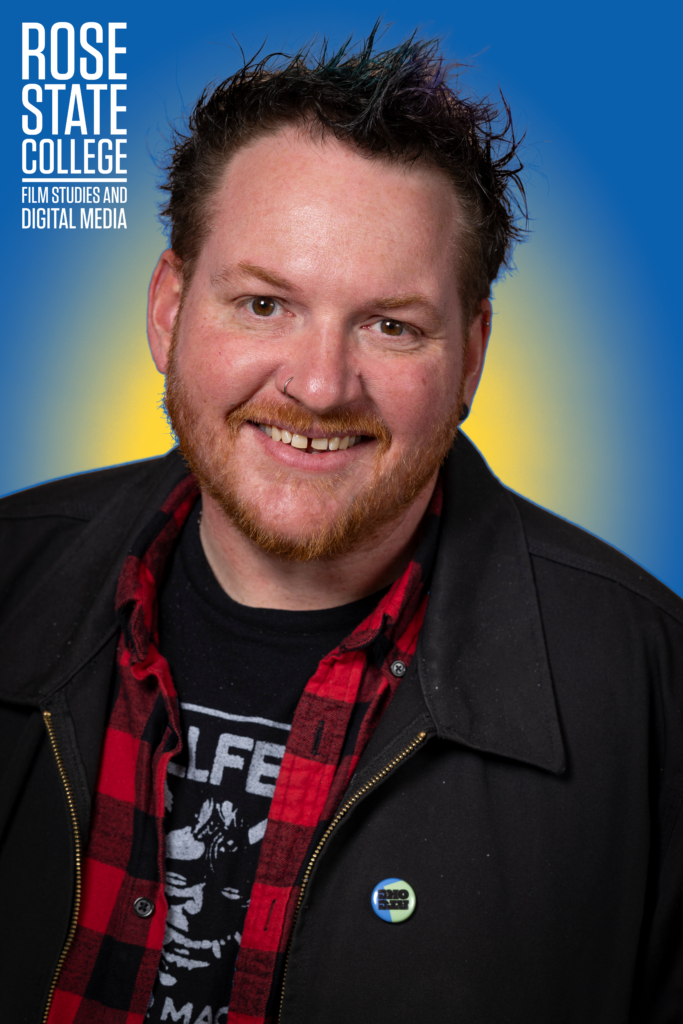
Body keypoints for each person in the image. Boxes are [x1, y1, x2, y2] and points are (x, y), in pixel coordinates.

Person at [1, 29, 682, 1024]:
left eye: (390, 325)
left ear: (472, 352)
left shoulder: (652, 687)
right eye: (264, 302)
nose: (318, 386)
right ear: (167, 308)